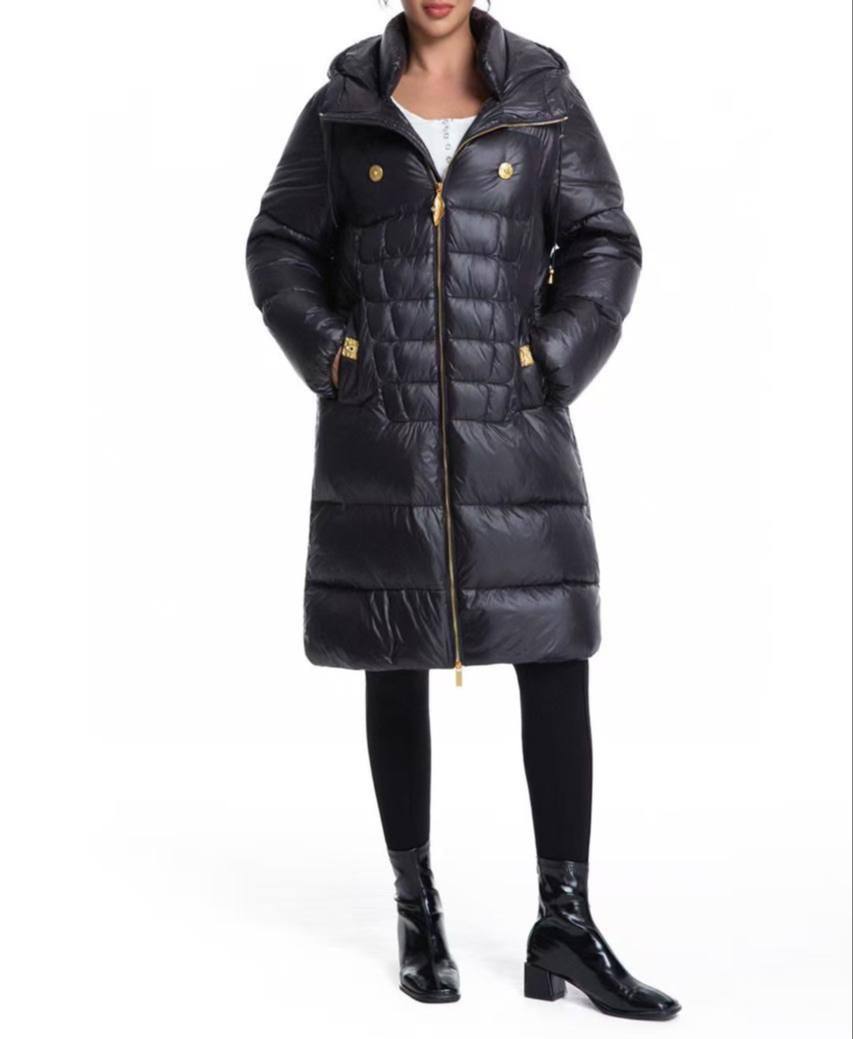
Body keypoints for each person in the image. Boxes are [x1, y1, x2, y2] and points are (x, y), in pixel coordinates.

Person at [246, 0, 680, 1019]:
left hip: (513, 427)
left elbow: (604, 240)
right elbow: (277, 244)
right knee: (392, 654)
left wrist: (552, 358)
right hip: (384, 431)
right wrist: (335, 355)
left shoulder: (542, 97)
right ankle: (417, 908)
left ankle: (563, 921)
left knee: (554, 654)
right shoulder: (345, 106)